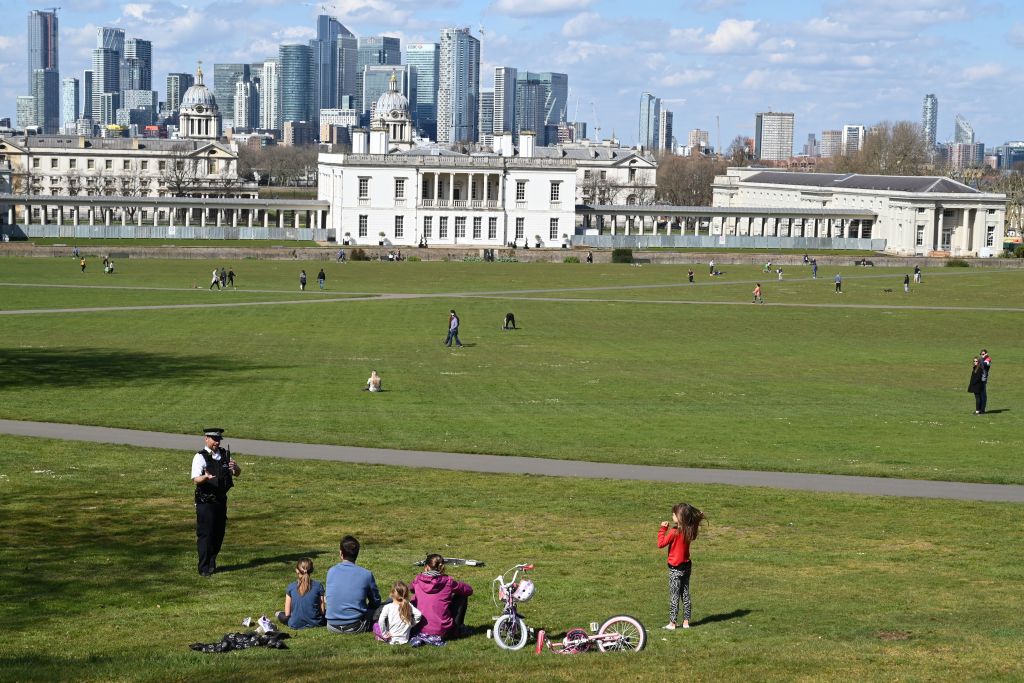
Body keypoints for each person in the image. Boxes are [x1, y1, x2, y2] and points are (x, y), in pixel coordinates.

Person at [190, 427, 241, 577]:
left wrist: (236, 468)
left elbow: (236, 473)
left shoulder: (225, 455)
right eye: (214, 439)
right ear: (206, 439)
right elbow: (195, 480)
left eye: (219, 440)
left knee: (219, 533)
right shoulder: (200, 457)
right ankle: (204, 567)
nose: (217, 442)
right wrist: (205, 477)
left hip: (220, 501)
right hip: (205, 502)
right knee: (206, 534)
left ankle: (212, 561)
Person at [658, 502, 704, 630]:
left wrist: (662, 529)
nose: (672, 516)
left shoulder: (674, 532)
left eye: (674, 514)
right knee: (685, 594)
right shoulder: (689, 530)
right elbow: (693, 526)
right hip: (686, 566)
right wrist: (697, 519)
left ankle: (672, 623)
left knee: (674, 595)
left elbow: (661, 544)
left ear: (680, 517)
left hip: (675, 568)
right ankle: (686, 622)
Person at [326, 535, 382, 633]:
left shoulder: (331, 571)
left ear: (341, 553)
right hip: (356, 626)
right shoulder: (366, 574)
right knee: (386, 606)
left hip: (331, 626)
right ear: (357, 554)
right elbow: (375, 601)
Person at [411, 554, 474, 639]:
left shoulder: (418, 580)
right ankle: (457, 629)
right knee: (462, 595)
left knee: (416, 596)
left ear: (426, 567)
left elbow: (411, 589)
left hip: (420, 628)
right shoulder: (448, 582)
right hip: (443, 630)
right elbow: (469, 590)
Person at [276, 558, 326, 629]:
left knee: (280, 614)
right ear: (311, 570)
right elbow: (322, 611)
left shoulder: (291, 587)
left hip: (295, 624)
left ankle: (278, 614)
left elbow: (287, 613)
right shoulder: (318, 586)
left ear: (297, 570)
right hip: (316, 623)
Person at [977, 349, 992, 414]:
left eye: (983, 354)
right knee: (979, 395)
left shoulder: (988, 359)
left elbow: (986, 364)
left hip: (983, 379)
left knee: (983, 395)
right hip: (979, 378)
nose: (982, 355)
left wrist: (979, 361)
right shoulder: (981, 360)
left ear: (986, 354)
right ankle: (979, 409)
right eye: (981, 354)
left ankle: (982, 410)